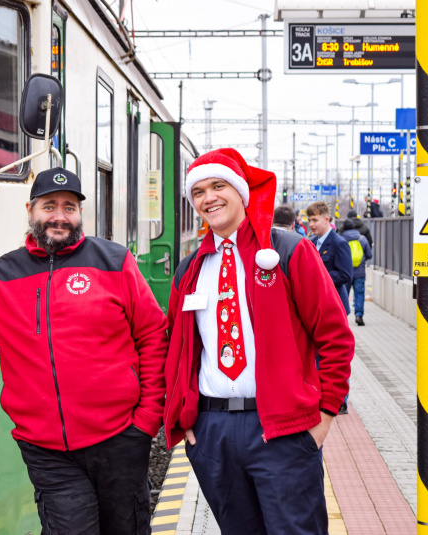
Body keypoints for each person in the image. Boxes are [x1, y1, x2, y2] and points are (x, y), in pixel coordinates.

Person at [0, 167, 167, 534]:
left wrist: (146, 420)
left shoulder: (114, 261)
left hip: (119, 439)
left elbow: (153, 335)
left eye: (69, 207)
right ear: (30, 210)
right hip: (47, 449)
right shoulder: (4, 274)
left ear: (80, 214)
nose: (59, 216)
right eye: (49, 206)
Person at [163, 148, 354, 534]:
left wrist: (326, 415)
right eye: (198, 192)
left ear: (240, 192)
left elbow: (334, 335)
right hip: (212, 430)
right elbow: (178, 347)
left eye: (218, 186)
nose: (208, 198)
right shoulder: (190, 269)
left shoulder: (286, 250)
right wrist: (185, 417)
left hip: (282, 432)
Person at [307, 200, 353, 316]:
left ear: (327, 219)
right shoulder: (311, 242)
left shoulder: (339, 243)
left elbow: (345, 275)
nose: (311, 224)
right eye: (309, 220)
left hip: (334, 305)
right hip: (318, 304)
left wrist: (319, 277)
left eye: (315, 220)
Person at [341, 219, 373, 326]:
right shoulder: (362, 239)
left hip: (345, 273)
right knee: (359, 294)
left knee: (343, 294)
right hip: (360, 273)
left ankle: (342, 317)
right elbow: (369, 255)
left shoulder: (341, 239)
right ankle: (359, 315)